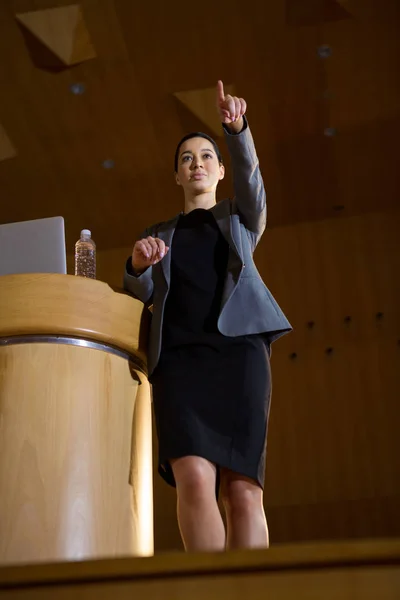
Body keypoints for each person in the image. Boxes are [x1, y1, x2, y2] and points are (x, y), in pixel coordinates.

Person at [124, 81, 292, 552]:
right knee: (194, 478)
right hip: (179, 363)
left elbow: (255, 189)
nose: (195, 163)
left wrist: (236, 131)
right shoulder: (156, 235)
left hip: (239, 358)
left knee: (242, 490)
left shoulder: (240, 220)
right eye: (185, 159)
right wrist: (137, 265)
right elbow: (138, 294)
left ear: (219, 171)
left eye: (204, 157)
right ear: (176, 176)